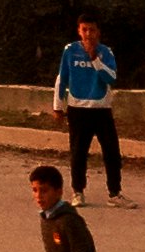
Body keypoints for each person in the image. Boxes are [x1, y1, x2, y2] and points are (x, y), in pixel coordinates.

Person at [52, 17, 128, 201]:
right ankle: (78, 192)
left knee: (111, 152)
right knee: (78, 153)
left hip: (101, 109)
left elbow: (111, 78)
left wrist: (95, 59)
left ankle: (115, 193)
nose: (88, 34)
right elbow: (62, 77)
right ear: (79, 30)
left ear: (98, 31)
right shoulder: (70, 51)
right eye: (84, 30)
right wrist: (57, 106)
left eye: (92, 30)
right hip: (77, 109)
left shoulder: (105, 52)